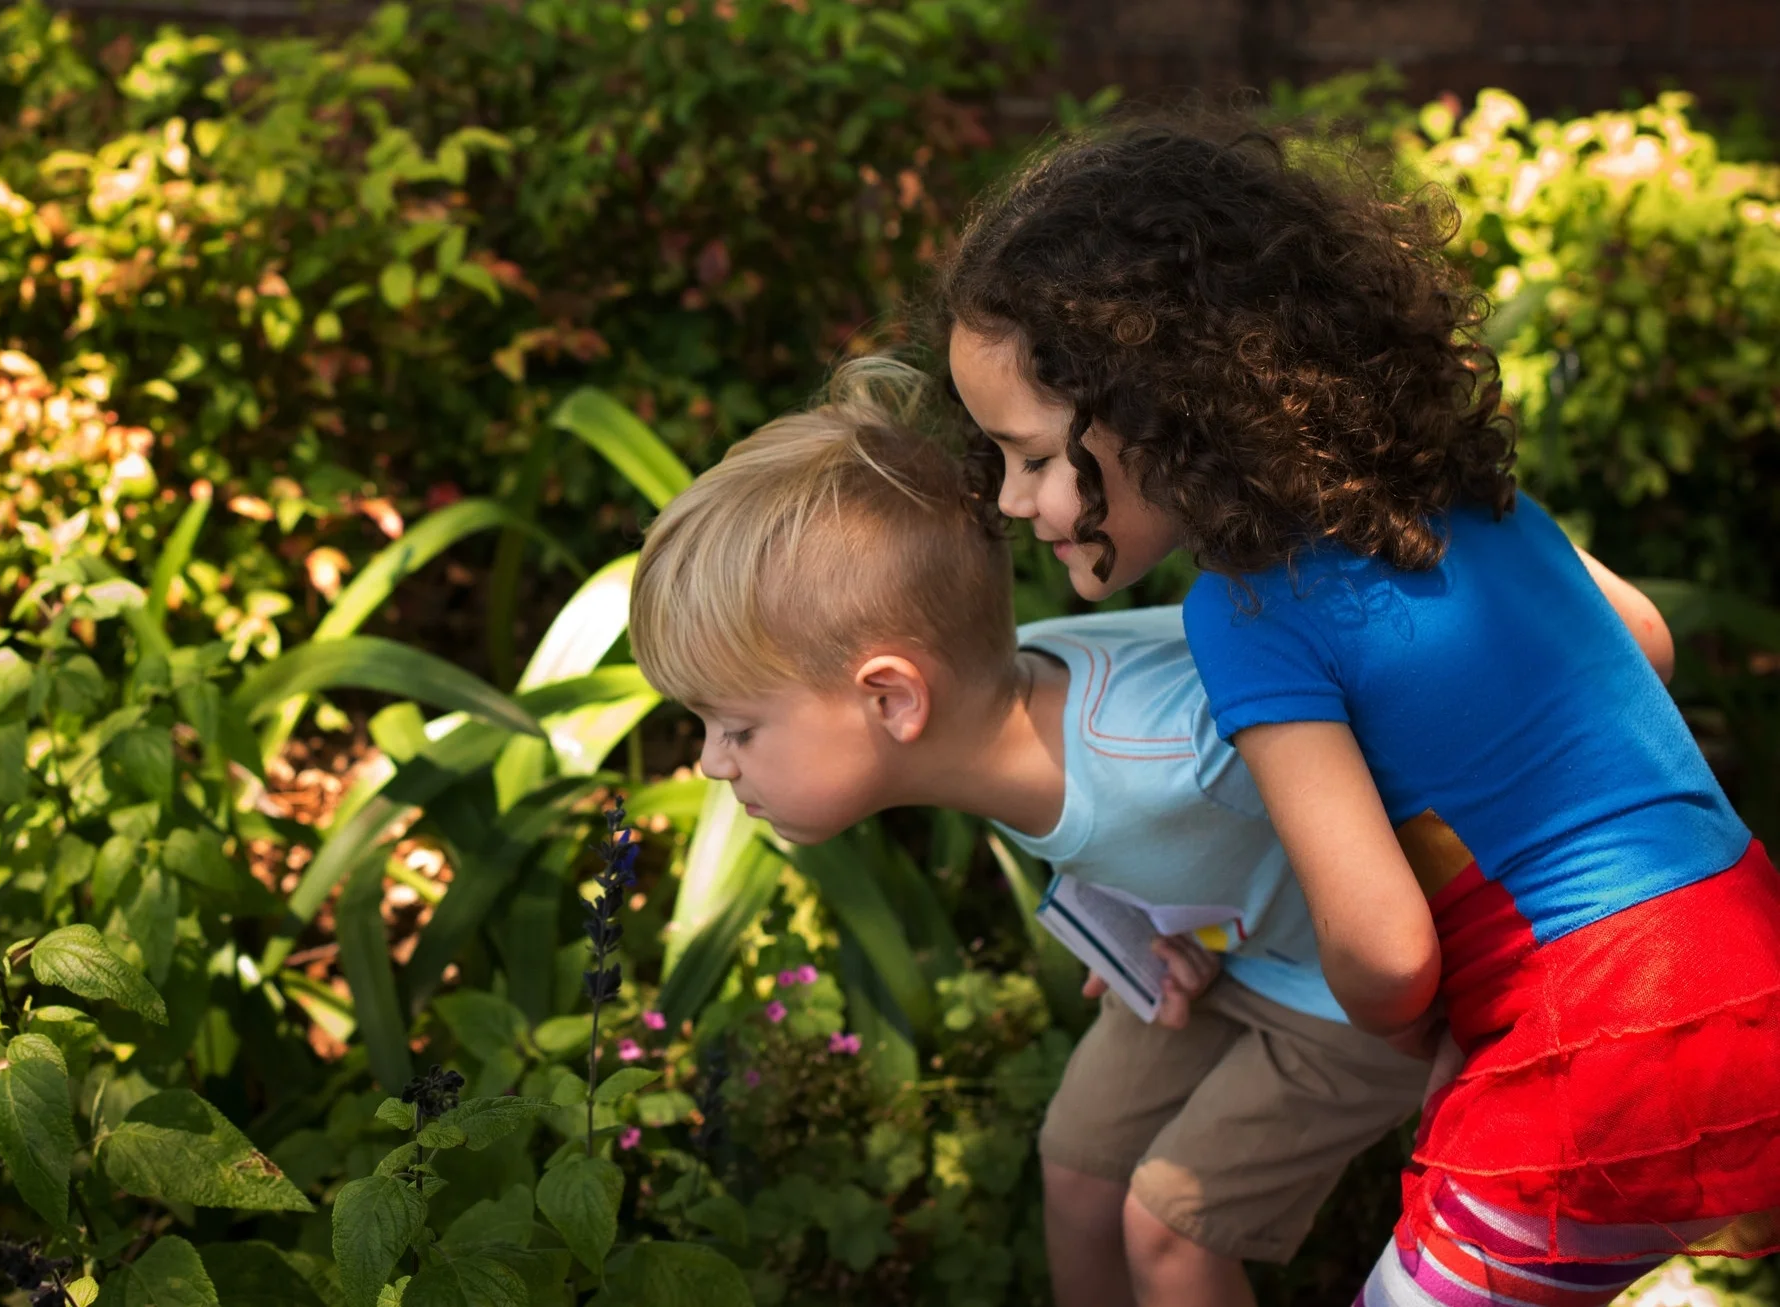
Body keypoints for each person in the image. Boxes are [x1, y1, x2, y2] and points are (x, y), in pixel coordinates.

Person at [934, 114, 1778, 1306]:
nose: (1016, 501)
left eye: (1025, 455)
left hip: (1593, 1038)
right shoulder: (1457, 492)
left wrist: (1413, 1041)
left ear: (1153, 406)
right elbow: (1644, 636)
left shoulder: (1250, 608)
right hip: (1746, 961)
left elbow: (1382, 949)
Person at [627, 361, 1430, 1307]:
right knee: (1080, 1164)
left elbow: (1399, 719)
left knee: (1168, 1227)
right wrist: (1159, 917)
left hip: (1354, 1002)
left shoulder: (1171, 743)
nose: (715, 762)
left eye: (738, 727)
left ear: (891, 698)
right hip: (1225, 957)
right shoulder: (1004, 720)